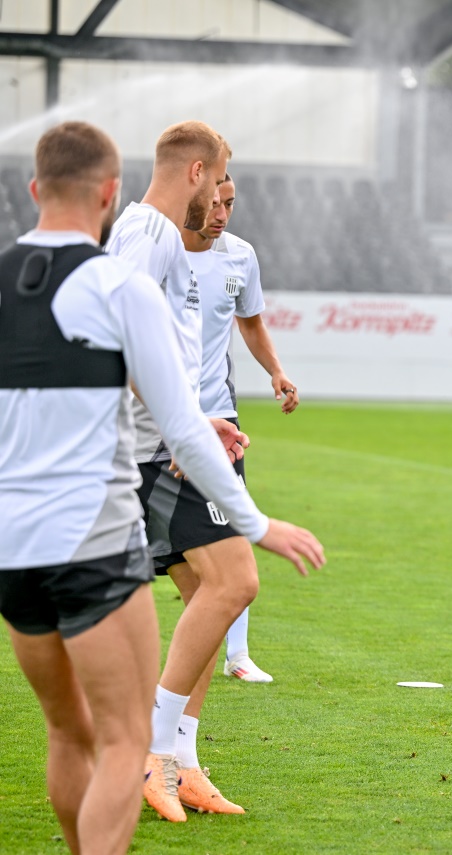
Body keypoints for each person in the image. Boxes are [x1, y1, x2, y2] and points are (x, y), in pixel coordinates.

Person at [0, 120, 324, 855]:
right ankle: (164, 759)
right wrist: (259, 521)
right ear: (110, 192)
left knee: (68, 730)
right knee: (121, 742)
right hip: (95, 531)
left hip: (15, 543)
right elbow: (176, 423)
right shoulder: (128, 272)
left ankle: (183, 760)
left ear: (32, 190)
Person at [104, 121, 260, 820]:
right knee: (236, 582)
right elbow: (119, 334)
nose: (221, 202)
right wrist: (183, 423)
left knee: (207, 593)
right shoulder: (154, 233)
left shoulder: (156, 234)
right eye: (218, 181)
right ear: (195, 171)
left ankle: (183, 760)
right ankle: (154, 750)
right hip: (158, 450)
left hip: (169, 440)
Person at [183, 173, 300, 686]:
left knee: (231, 528)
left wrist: (275, 370)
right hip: (158, 421)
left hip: (219, 420)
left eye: (230, 203)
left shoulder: (240, 256)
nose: (223, 213)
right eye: (215, 202)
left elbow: (250, 322)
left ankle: (238, 653)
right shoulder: (160, 251)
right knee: (162, 551)